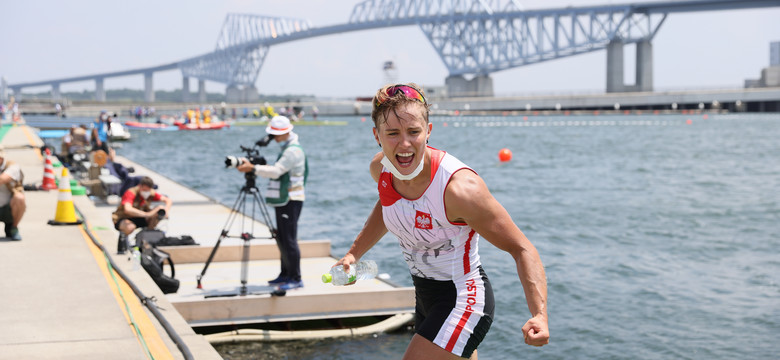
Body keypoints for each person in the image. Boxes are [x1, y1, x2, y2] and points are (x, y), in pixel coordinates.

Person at [333, 83, 549, 359]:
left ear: (429, 131)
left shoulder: (459, 189)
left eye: (414, 132)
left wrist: (539, 314)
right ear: (377, 135)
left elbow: (522, 248)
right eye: (392, 134)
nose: (404, 145)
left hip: (464, 299)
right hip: (425, 297)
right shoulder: (382, 170)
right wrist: (353, 254)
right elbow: (387, 205)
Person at [237, 115, 308, 291]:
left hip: (290, 200)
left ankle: (295, 277)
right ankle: (285, 274)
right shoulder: (288, 148)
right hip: (285, 200)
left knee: (289, 239)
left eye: (276, 135)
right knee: (282, 238)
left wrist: (253, 168)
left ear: (285, 133)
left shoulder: (292, 151)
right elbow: (279, 171)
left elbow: (276, 172)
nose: (274, 139)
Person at [112, 176, 172, 254]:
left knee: (159, 211)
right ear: (140, 187)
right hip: (124, 218)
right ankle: (124, 245)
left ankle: (147, 239)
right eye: (144, 190)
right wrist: (147, 214)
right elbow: (128, 209)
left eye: (148, 190)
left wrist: (166, 210)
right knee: (129, 227)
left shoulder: (150, 193)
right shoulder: (131, 193)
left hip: (140, 218)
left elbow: (168, 200)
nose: (146, 192)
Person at [0, 146, 25, 241]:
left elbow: (2, 179)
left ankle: (13, 227)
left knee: (19, 198)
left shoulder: (12, 166)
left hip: (7, 208)